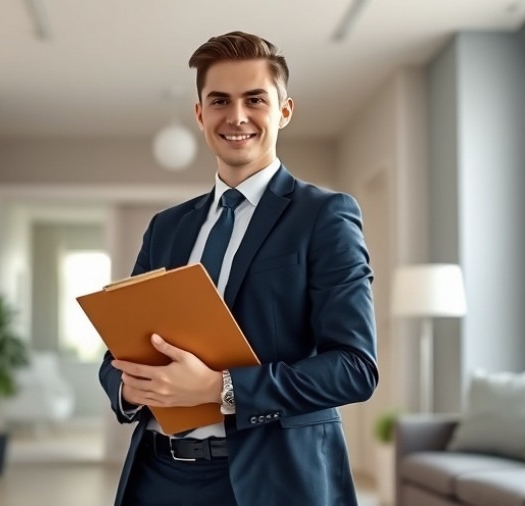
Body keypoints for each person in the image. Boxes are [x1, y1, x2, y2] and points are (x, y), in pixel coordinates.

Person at [99, 30, 378, 506]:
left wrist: (220, 388)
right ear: (200, 114)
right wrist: (130, 388)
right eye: (220, 101)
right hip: (158, 477)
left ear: (284, 110)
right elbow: (117, 353)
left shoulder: (324, 216)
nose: (237, 116)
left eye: (255, 99)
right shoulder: (166, 228)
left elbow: (354, 368)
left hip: (274, 480)